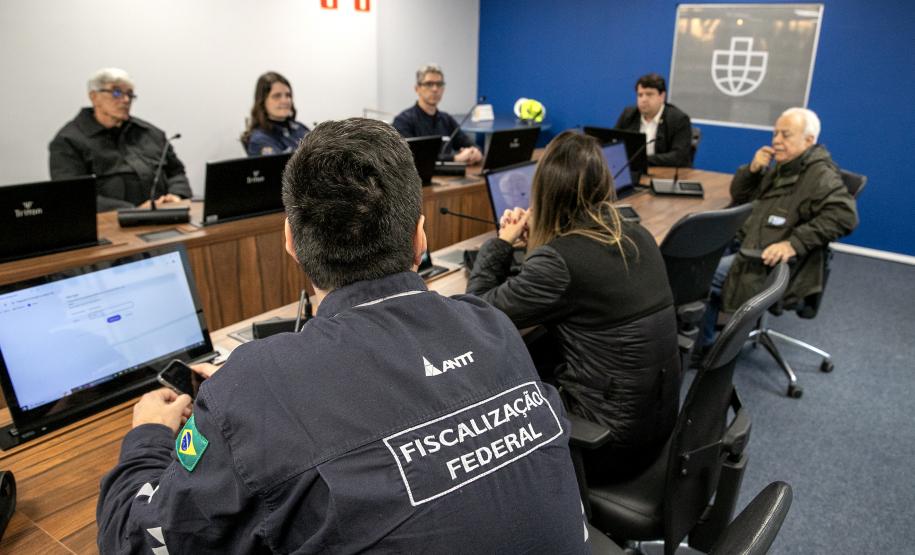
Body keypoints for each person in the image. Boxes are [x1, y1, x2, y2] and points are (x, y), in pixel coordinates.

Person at [96, 119, 589, 553]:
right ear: (420, 238)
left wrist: (149, 436)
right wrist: (241, 409)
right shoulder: (493, 327)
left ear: (290, 241)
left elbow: (138, 540)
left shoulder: (251, 389)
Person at [466, 131, 680, 480]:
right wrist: (541, 241)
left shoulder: (561, 262)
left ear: (544, 193)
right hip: (657, 424)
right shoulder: (636, 234)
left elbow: (477, 311)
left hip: (606, 445)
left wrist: (501, 244)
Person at [699, 107, 858, 349]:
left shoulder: (819, 175)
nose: (776, 141)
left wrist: (793, 243)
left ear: (809, 140)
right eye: (775, 134)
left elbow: (845, 216)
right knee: (695, 256)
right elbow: (740, 195)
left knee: (703, 276)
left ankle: (705, 348)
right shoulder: (786, 166)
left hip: (765, 260)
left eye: (786, 135)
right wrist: (752, 170)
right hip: (749, 240)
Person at [49, 68, 191, 212]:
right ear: (94, 96)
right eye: (116, 93)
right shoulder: (68, 141)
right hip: (111, 225)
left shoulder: (151, 133)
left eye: (130, 94)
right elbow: (73, 195)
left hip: (167, 216)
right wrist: (132, 210)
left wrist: (176, 196)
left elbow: (176, 172)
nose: (125, 100)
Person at [392, 63, 483, 163]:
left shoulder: (447, 119)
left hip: (449, 177)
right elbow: (412, 158)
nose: (435, 89)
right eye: (429, 84)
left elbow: (469, 144)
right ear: (417, 89)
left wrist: (475, 152)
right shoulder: (403, 121)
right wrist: (454, 159)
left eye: (439, 84)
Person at [615, 73, 693, 167]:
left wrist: (642, 159)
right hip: (634, 171)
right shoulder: (629, 115)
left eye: (649, 94)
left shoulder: (679, 119)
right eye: (640, 95)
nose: (643, 99)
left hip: (665, 174)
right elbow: (613, 143)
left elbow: (679, 157)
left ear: (662, 96)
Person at [241, 71, 310, 157]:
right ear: (262, 101)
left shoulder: (301, 128)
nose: (285, 100)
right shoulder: (259, 139)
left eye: (288, 95)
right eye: (277, 96)